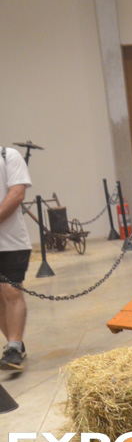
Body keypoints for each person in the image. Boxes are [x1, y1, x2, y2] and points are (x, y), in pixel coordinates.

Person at [0, 146, 32, 370]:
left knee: (11, 291)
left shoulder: (8, 156)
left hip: (11, 242)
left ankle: (13, 346)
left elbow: (17, 193)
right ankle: (14, 344)